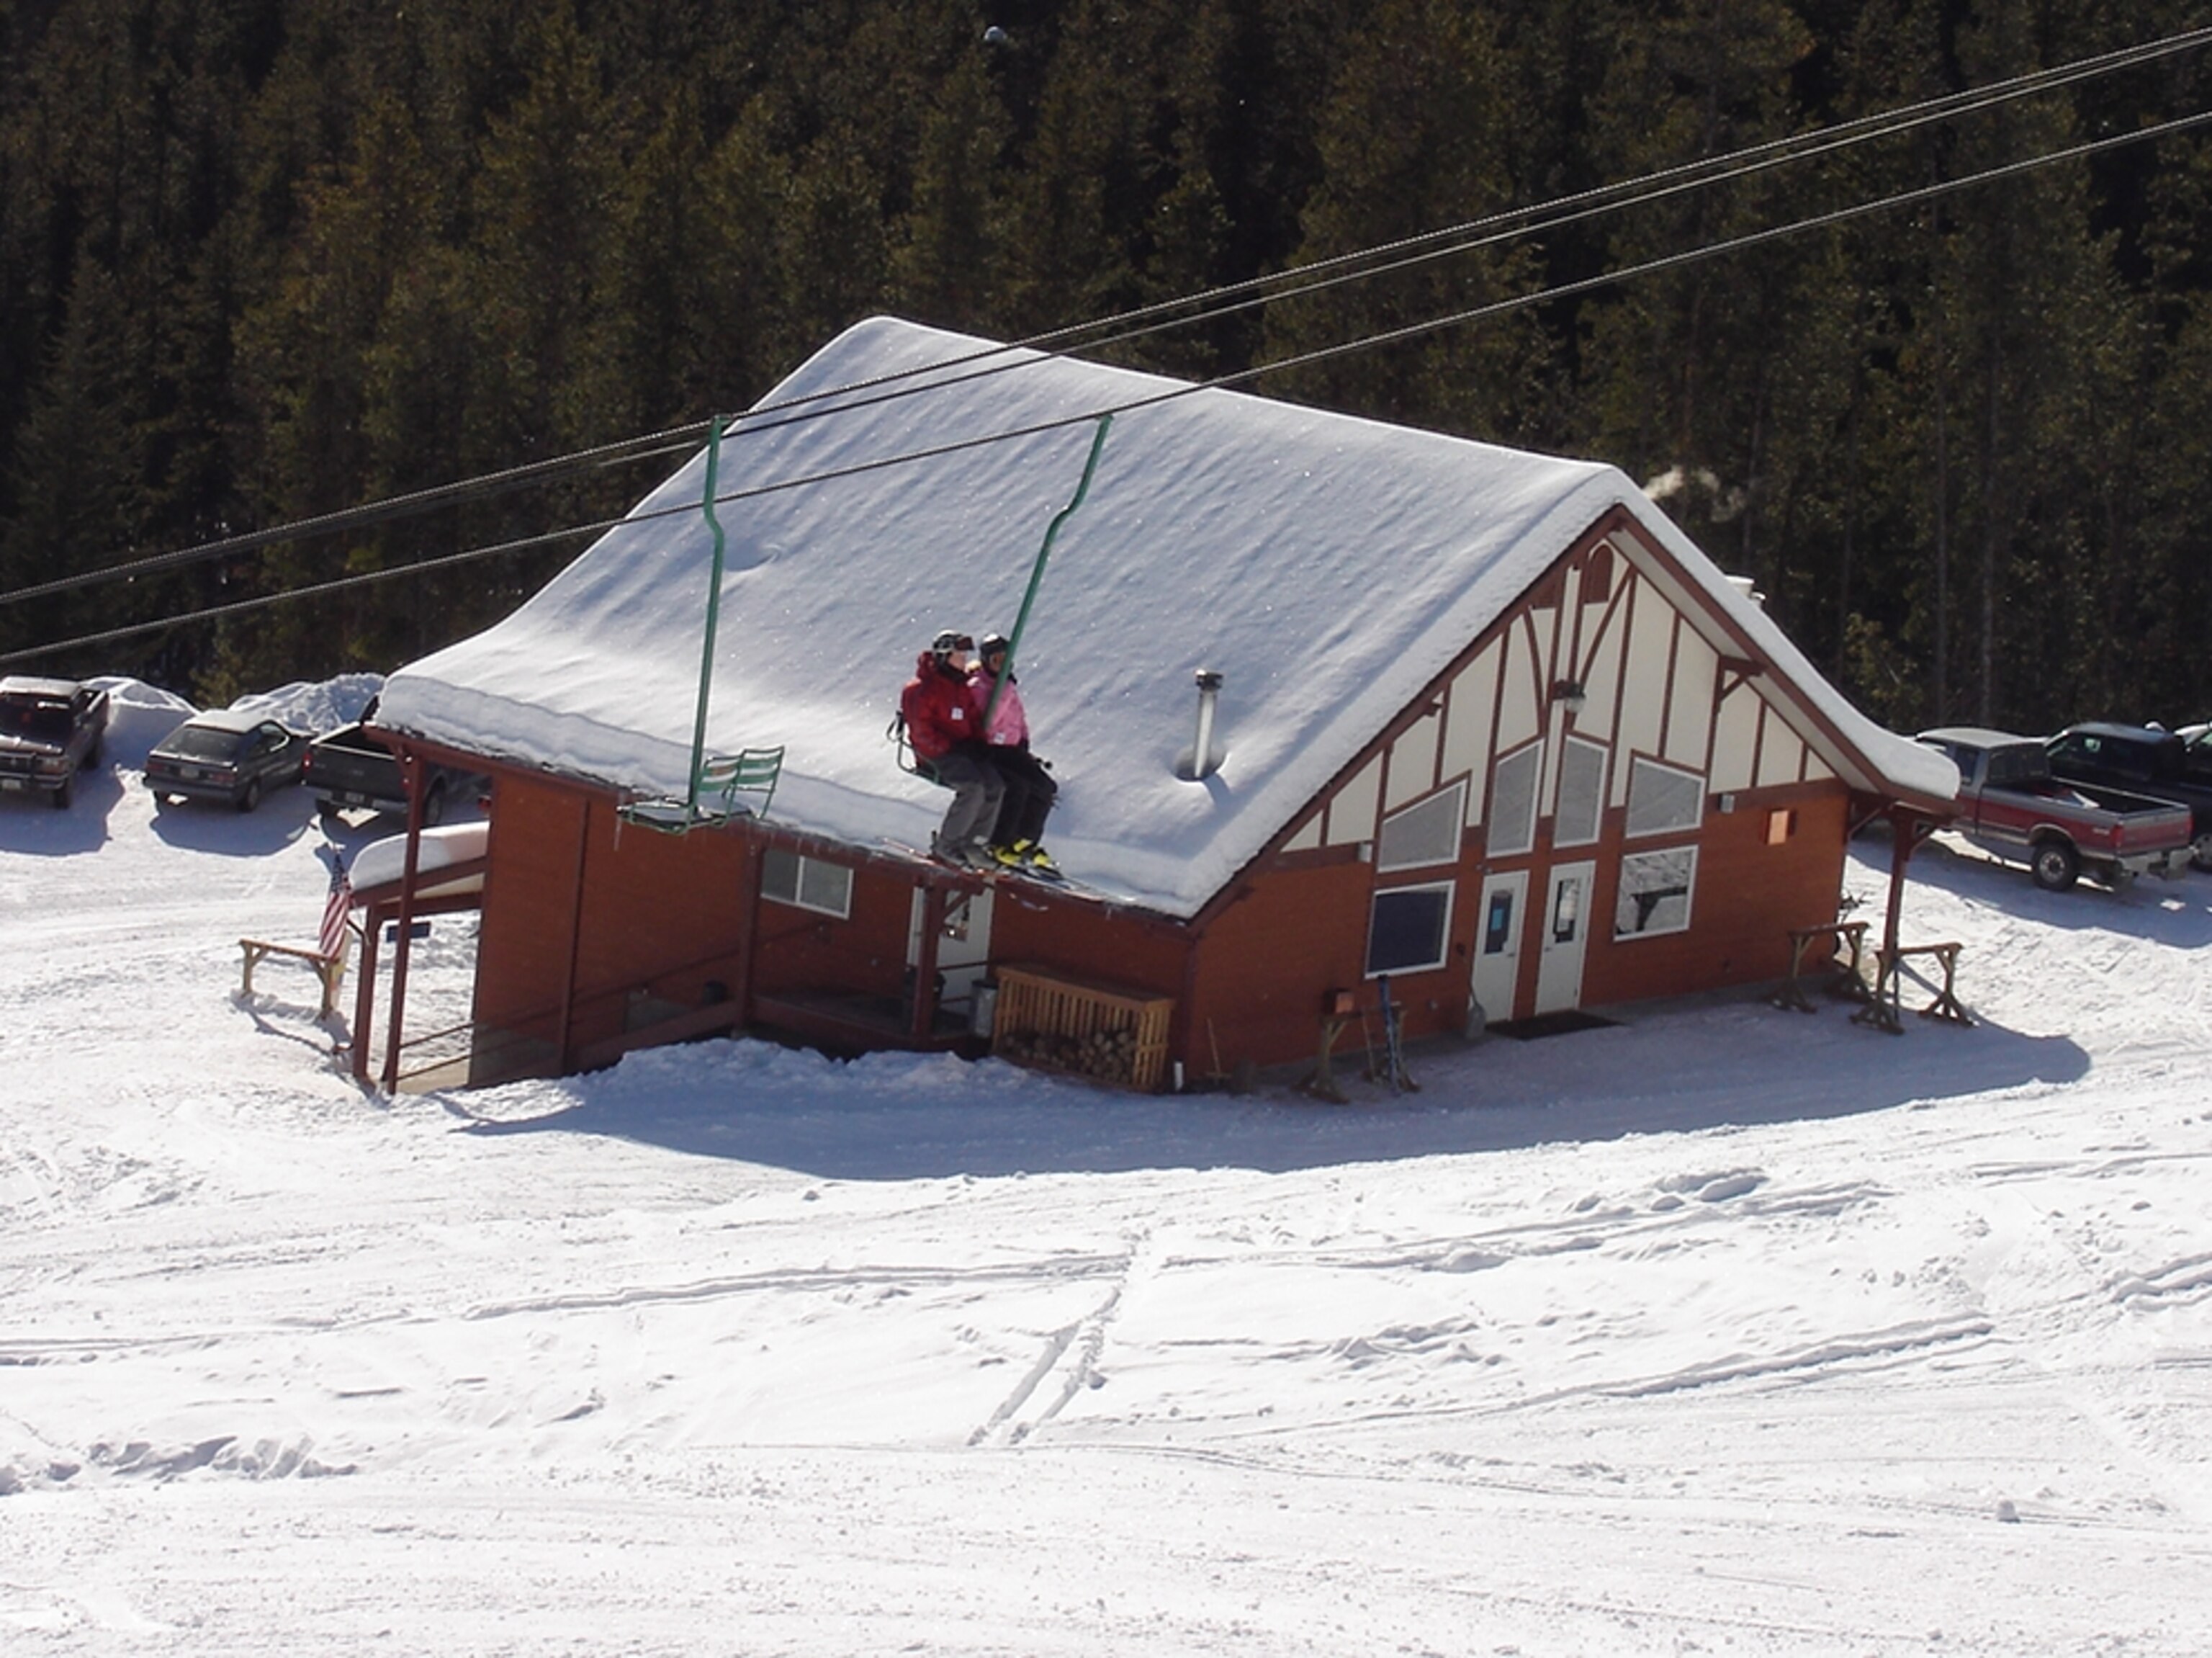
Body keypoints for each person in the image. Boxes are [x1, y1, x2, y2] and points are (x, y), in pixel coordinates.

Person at [899, 630, 1004, 867]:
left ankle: (974, 843)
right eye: (959, 655)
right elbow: (921, 732)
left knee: (995, 785)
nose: (964, 660)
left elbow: (973, 720)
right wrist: (953, 747)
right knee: (973, 788)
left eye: (965, 655)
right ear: (944, 656)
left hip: (961, 752)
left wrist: (978, 743)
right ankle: (947, 843)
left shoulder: (960, 686)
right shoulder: (921, 689)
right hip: (936, 755)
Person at [968, 632, 1058, 872]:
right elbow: (989, 721)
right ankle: (1000, 842)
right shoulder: (979, 687)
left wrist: (1024, 740)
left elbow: (1018, 717)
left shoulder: (1007, 685)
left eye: (1006, 660)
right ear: (986, 661)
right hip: (991, 749)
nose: (1002, 666)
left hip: (1012, 748)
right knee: (1017, 787)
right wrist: (1004, 690)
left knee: (1046, 787)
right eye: (997, 661)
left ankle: (1025, 841)